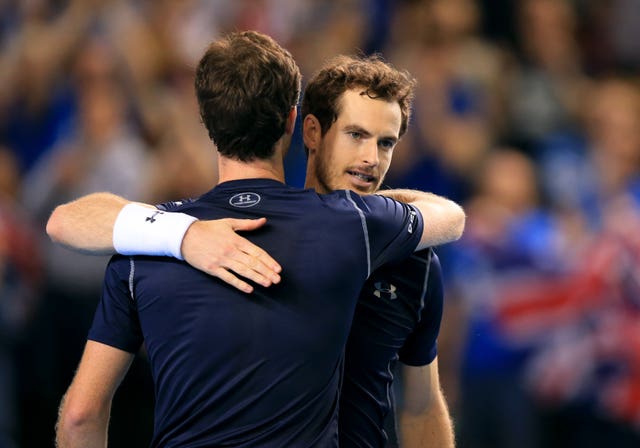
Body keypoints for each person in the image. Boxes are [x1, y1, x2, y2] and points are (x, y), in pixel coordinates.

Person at [53, 31, 463, 448]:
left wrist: (179, 232)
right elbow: (449, 215)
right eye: (355, 135)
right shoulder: (349, 227)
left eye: (387, 143)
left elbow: (421, 406)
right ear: (305, 128)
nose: (371, 159)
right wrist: (185, 235)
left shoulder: (409, 260)